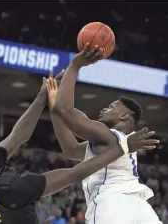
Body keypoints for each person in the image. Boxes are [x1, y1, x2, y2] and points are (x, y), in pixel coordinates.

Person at [0, 76, 158, 224]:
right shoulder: (11, 186)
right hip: (117, 204)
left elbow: (19, 136)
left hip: (130, 201)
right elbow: (74, 172)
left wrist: (43, 99)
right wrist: (75, 67)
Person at [47, 43, 162, 224]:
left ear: (124, 115)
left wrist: (75, 65)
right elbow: (71, 149)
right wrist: (54, 108)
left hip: (111, 204)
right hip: (141, 208)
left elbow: (66, 111)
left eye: (111, 107)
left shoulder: (108, 135)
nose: (104, 109)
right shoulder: (116, 143)